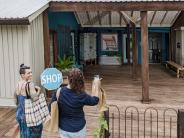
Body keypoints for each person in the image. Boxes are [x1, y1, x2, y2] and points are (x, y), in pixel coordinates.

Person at [50, 68, 99, 138]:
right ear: (81, 81)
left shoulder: (59, 91)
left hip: (64, 129)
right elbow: (95, 100)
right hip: (79, 130)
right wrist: (96, 84)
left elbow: (50, 109)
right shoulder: (82, 95)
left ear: (67, 78)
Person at [15, 64, 43, 138]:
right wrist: (39, 90)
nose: (31, 74)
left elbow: (16, 98)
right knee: (33, 133)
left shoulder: (18, 84)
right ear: (22, 75)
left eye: (31, 72)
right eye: (28, 73)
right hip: (29, 115)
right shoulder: (30, 84)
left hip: (20, 113)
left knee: (23, 133)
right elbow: (35, 99)